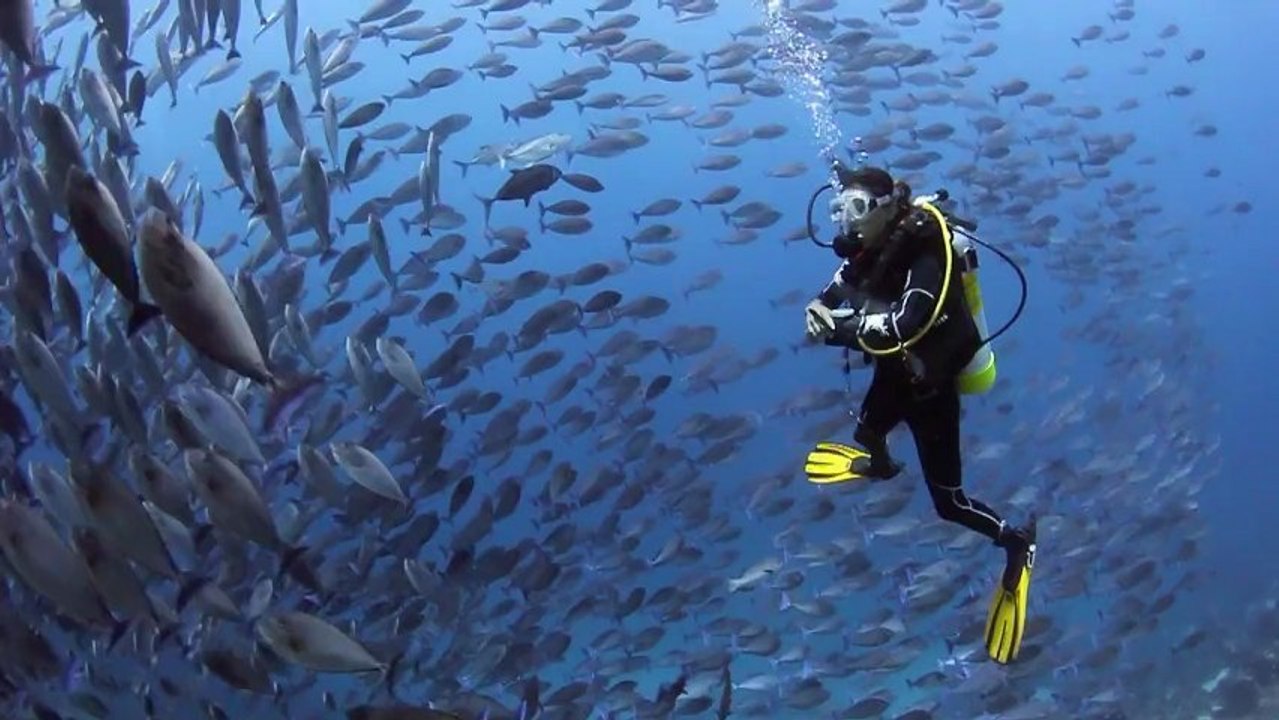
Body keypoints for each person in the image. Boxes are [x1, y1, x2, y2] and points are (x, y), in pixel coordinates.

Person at [802, 162, 1037, 665]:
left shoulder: (925, 249)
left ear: (886, 207)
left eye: (857, 208)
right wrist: (818, 308)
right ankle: (882, 463)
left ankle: (1017, 543)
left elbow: (909, 323)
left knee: (948, 503)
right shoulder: (869, 250)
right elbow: (837, 287)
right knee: (866, 431)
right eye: (839, 208)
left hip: (931, 388)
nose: (847, 220)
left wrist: (840, 329)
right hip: (894, 375)